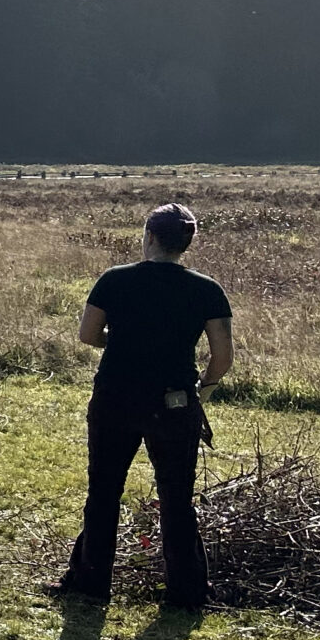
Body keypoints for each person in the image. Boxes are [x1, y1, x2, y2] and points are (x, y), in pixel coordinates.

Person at [50, 203, 232, 614]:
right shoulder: (207, 289)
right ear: (186, 243)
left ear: (149, 236)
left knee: (104, 491)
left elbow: (87, 334)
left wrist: (123, 340)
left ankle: (90, 583)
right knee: (176, 497)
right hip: (174, 401)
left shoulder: (114, 281)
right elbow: (222, 354)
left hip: (115, 397)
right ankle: (186, 593)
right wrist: (206, 390)